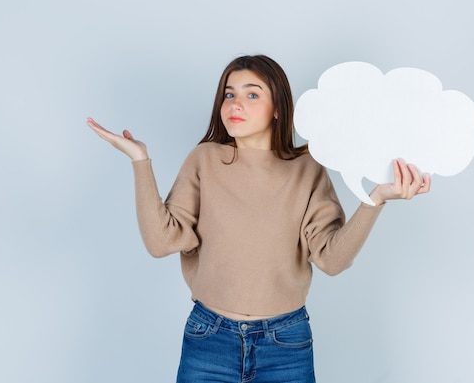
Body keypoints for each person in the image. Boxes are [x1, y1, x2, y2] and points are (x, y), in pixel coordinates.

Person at [87, 54, 430, 383]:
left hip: (285, 344)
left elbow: (332, 259)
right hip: (209, 339)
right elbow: (161, 242)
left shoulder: (307, 168)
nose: (236, 104)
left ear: (278, 109)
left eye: (252, 94)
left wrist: (376, 200)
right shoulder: (205, 159)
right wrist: (139, 160)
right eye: (229, 94)